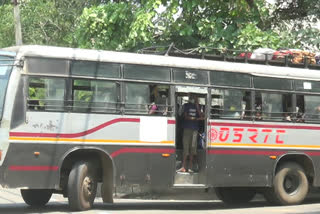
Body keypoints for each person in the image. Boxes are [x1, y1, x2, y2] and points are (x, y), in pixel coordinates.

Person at [177, 94, 203, 173]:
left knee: (193, 148)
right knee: (186, 148)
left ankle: (190, 167)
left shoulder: (199, 106)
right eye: (193, 97)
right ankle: (184, 167)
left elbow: (202, 115)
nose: (194, 99)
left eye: (195, 97)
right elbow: (186, 116)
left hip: (195, 130)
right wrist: (197, 118)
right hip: (187, 129)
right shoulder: (186, 105)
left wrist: (197, 105)